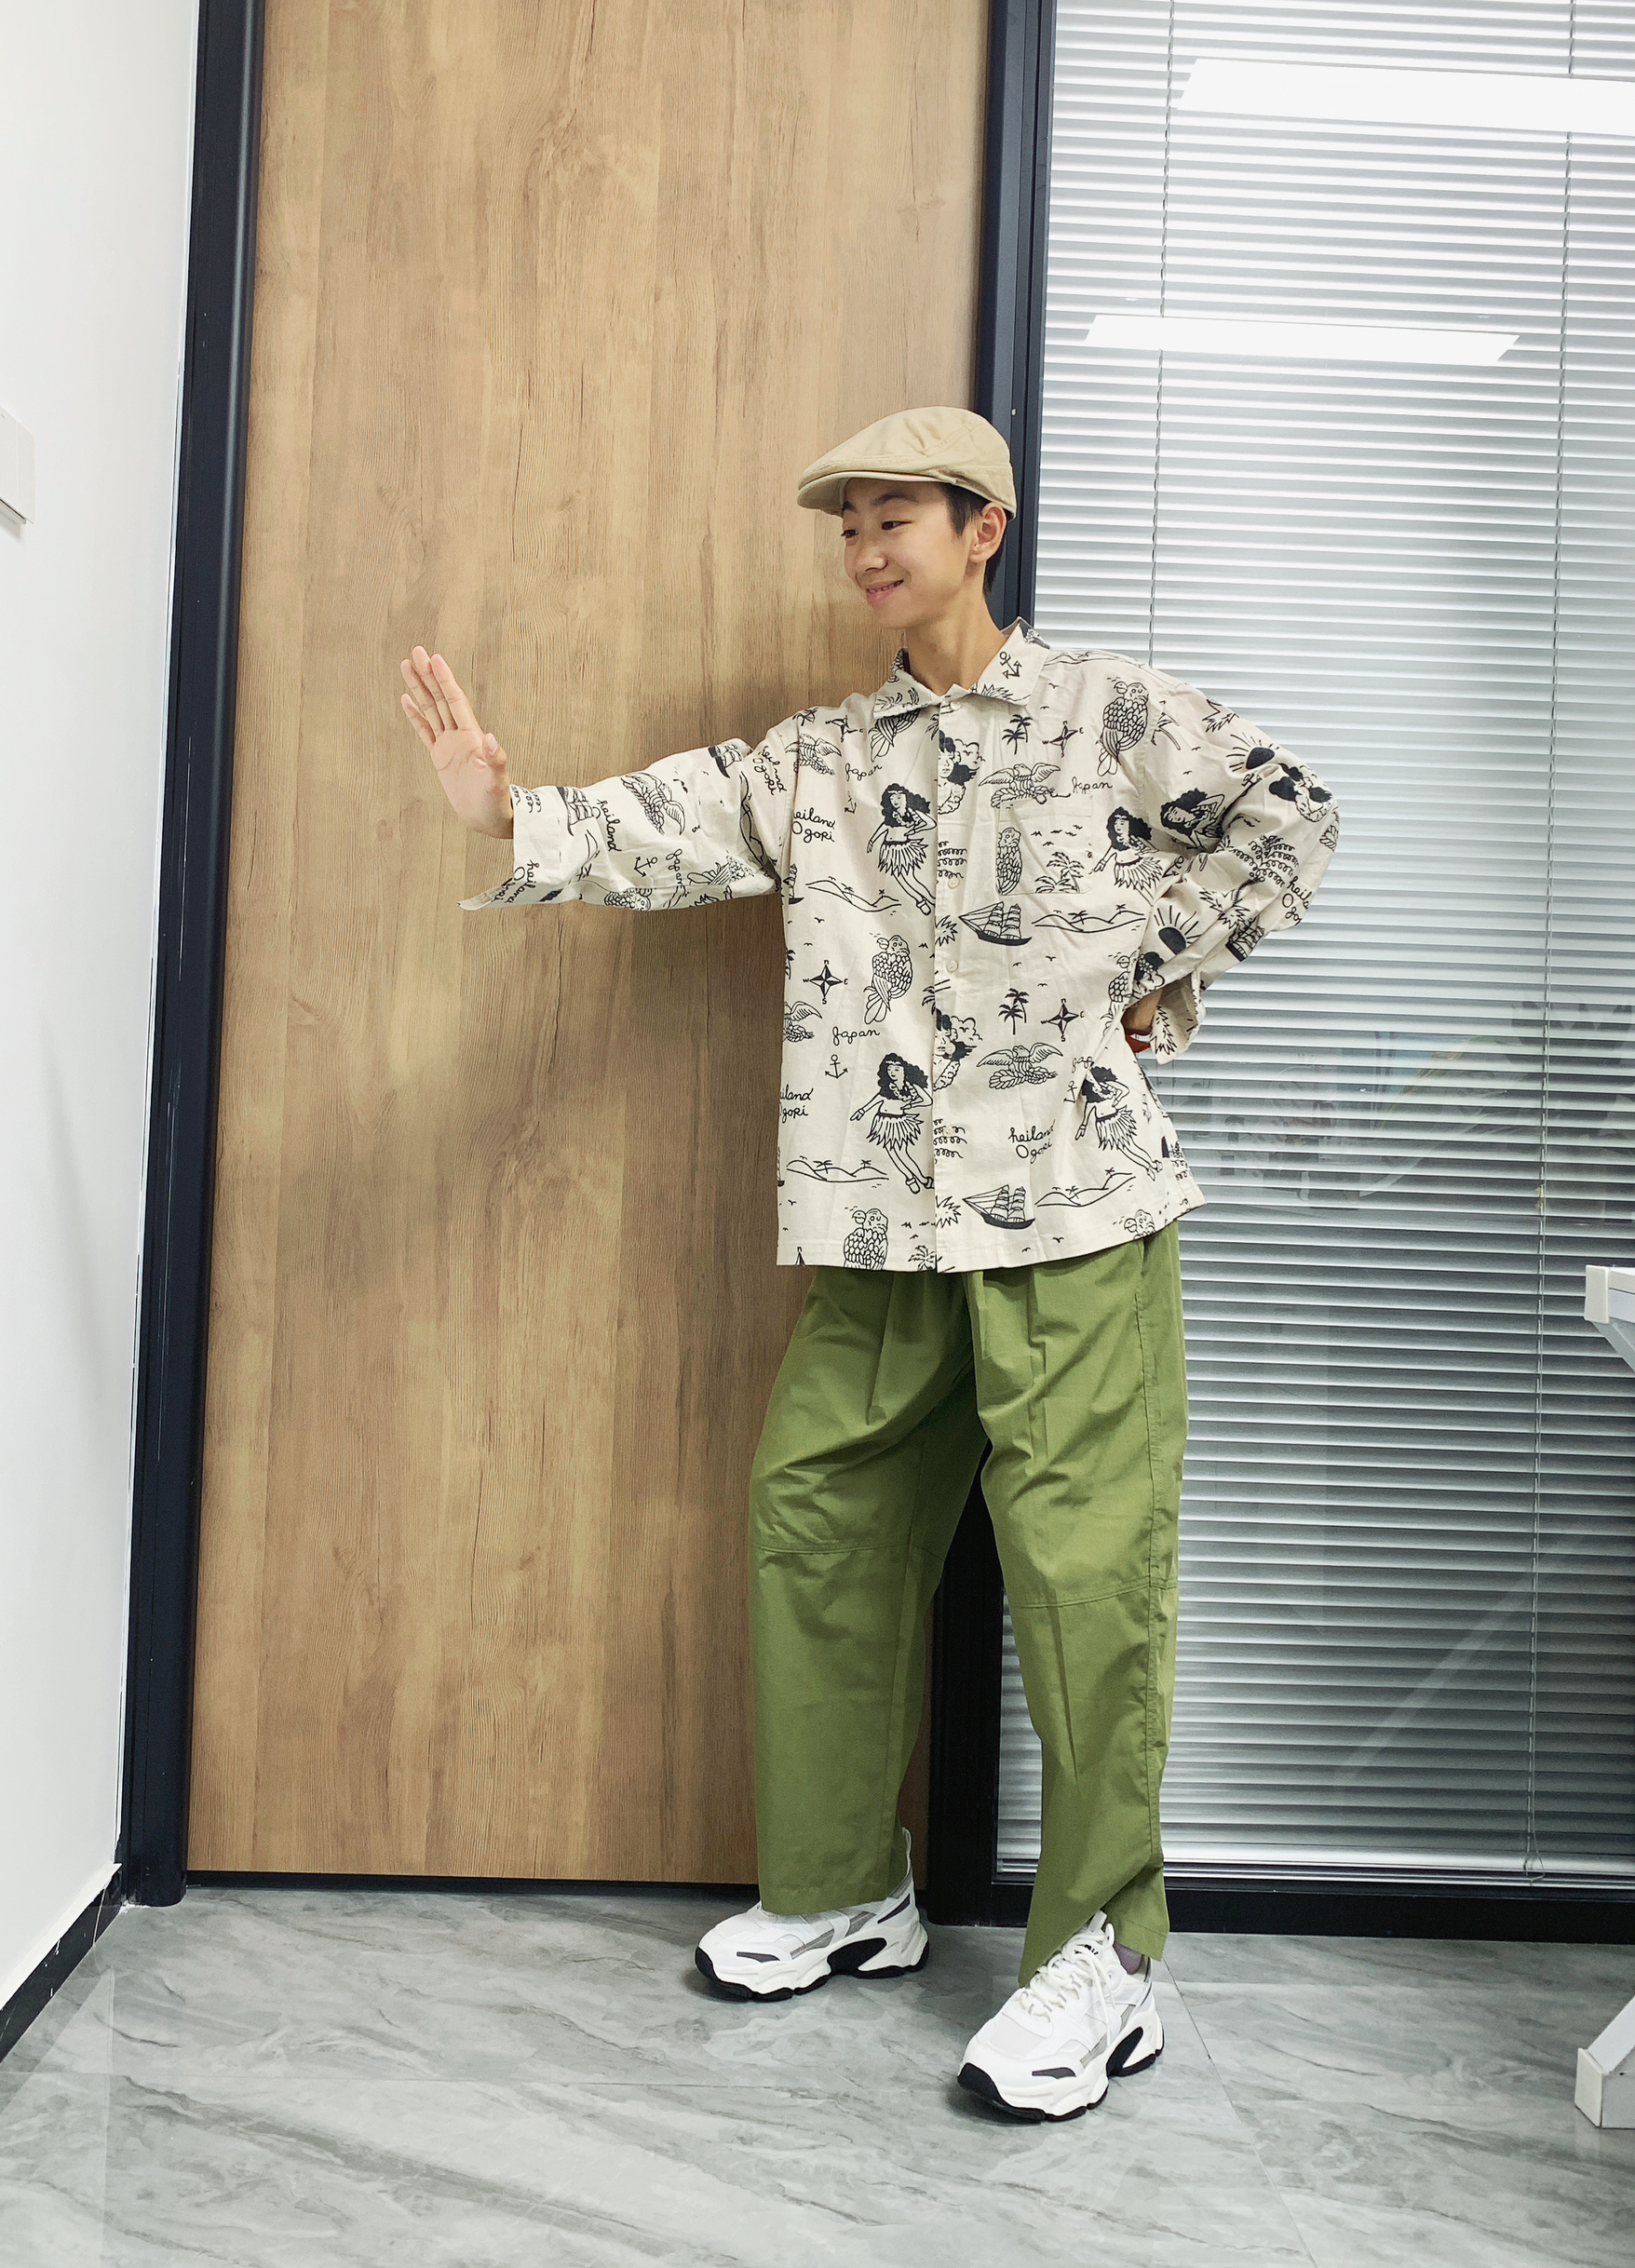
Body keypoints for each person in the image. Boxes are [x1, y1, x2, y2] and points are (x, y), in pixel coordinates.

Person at [399, 405, 1339, 2123]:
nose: (865, 548)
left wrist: (1148, 967)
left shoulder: (1111, 713)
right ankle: (845, 1888)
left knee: (1087, 1579)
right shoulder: (825, 756)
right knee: (814, 1513)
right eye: (849, 525)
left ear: (983, 530)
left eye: (895, 515)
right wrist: (506, 813)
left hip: (1072, 1210)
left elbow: (1288, 823)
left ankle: (1107, 1957)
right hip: (884, 1219)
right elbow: (674, 821)